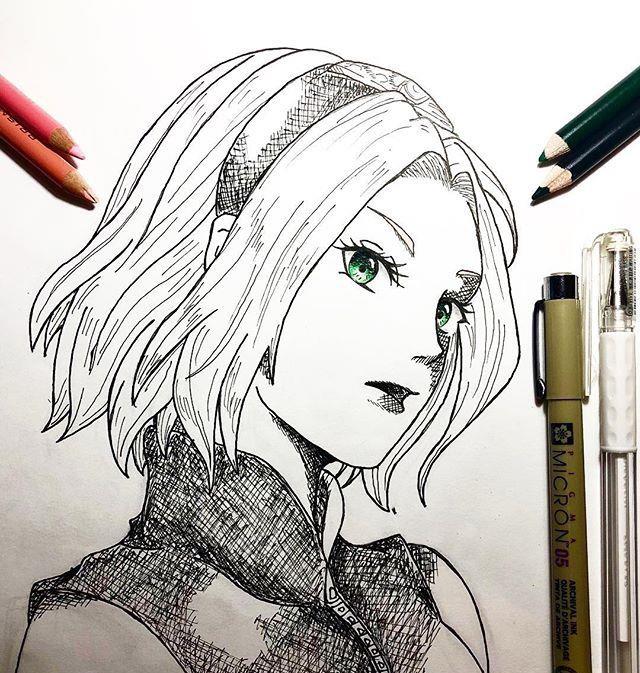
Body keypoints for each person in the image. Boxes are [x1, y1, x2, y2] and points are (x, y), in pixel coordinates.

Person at [17, 48, 519, 673]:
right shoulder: (103, 627)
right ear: (229, 253)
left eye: (448, 305)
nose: (430, 342)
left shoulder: (427, 597)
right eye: (368, 265)